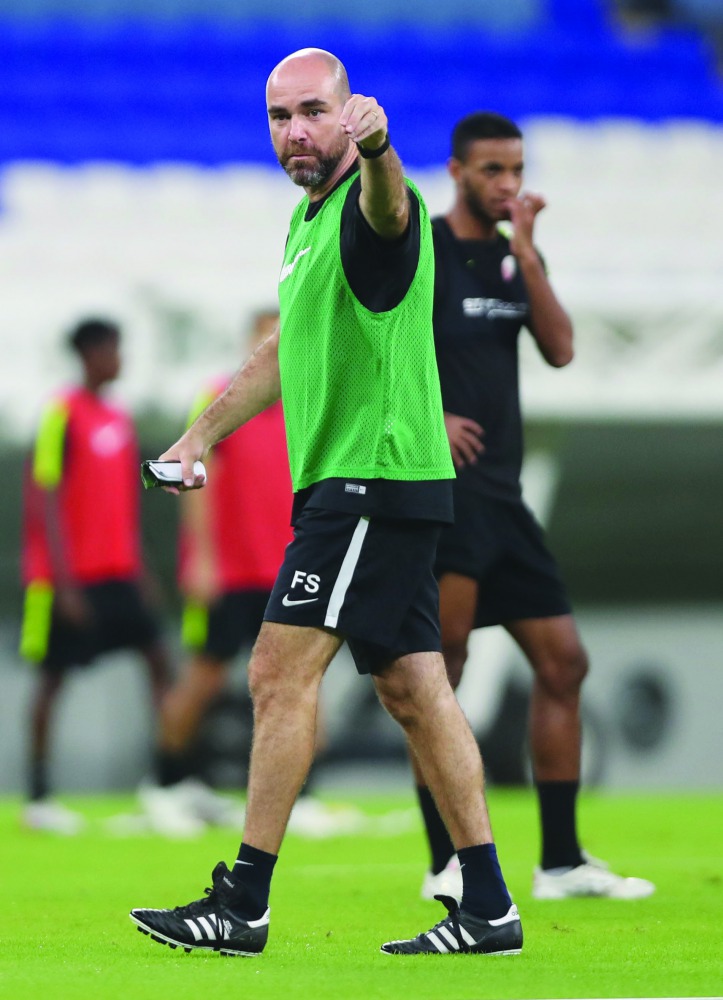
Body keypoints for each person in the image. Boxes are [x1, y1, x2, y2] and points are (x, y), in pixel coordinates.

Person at [130, 48, 522, 959]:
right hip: (375, 485)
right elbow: (283, 349)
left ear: (347, 114)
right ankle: (489, 906)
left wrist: (380, 151)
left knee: (276, 672)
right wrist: (199, 436)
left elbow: (391, 211)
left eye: (313, 111)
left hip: (366, 482)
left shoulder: (373, 203)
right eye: (279, 117)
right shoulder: (306, 222)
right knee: (416, 688)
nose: (295, 132)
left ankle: (243, 904)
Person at [412, 111, 655, 902]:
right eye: (492, 170)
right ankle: (446, 862)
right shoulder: (421, 252)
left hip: (503, 500)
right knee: (441, 673)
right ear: (456, 172)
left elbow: (559, 348)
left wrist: (524, 252)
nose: (507, 183)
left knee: (563, 663)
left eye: (516, 169)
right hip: (445, 498)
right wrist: (430, 419)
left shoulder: (517, 255)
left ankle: (558, 862)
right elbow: (379, 358)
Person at [140, 308, 361, 839]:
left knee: (303, 677)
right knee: (205, 676)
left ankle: (305, 796)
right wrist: (203, 559)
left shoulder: (309, 398)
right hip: (232, 572)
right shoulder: (222, 398)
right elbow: (198, 479)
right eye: (269, 337)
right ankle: (166, 785)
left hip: (289, 567)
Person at [19, 317, 172, 834]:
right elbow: (45, 497)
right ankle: (39, 797)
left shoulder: (119, 419)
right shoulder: (61, 414)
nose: (120, 359)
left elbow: (123, 503)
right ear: (90, 354)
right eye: (113, 349)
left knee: (160, 662)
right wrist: (62, 584)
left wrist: (141, 568)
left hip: (119, 573)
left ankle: (166, 783)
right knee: (52, 680)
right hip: (68, 580)